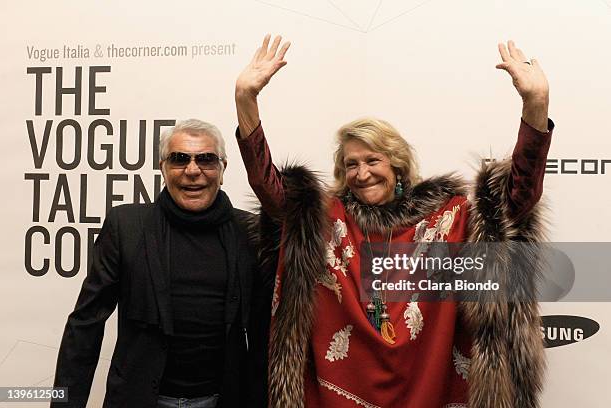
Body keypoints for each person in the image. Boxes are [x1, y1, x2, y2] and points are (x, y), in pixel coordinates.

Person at [234, 35, 553, 408]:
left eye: (372, 161)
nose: (362, 173)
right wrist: (246, 100)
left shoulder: (446, 217)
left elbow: (517, 198)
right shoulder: (325, 220)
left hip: (432, 386)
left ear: (397, 165)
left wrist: (535, 103)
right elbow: (268, 188)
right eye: (351, 164)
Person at [52, 119, 271, 408]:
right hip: (138, 398)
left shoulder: (252, 232)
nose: (193, 171)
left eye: (206, 159)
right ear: (163, 167)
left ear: (223, 168)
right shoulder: (125, 226)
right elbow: (85, 324)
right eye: (179, 159)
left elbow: (266, 333)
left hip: (224, 399)